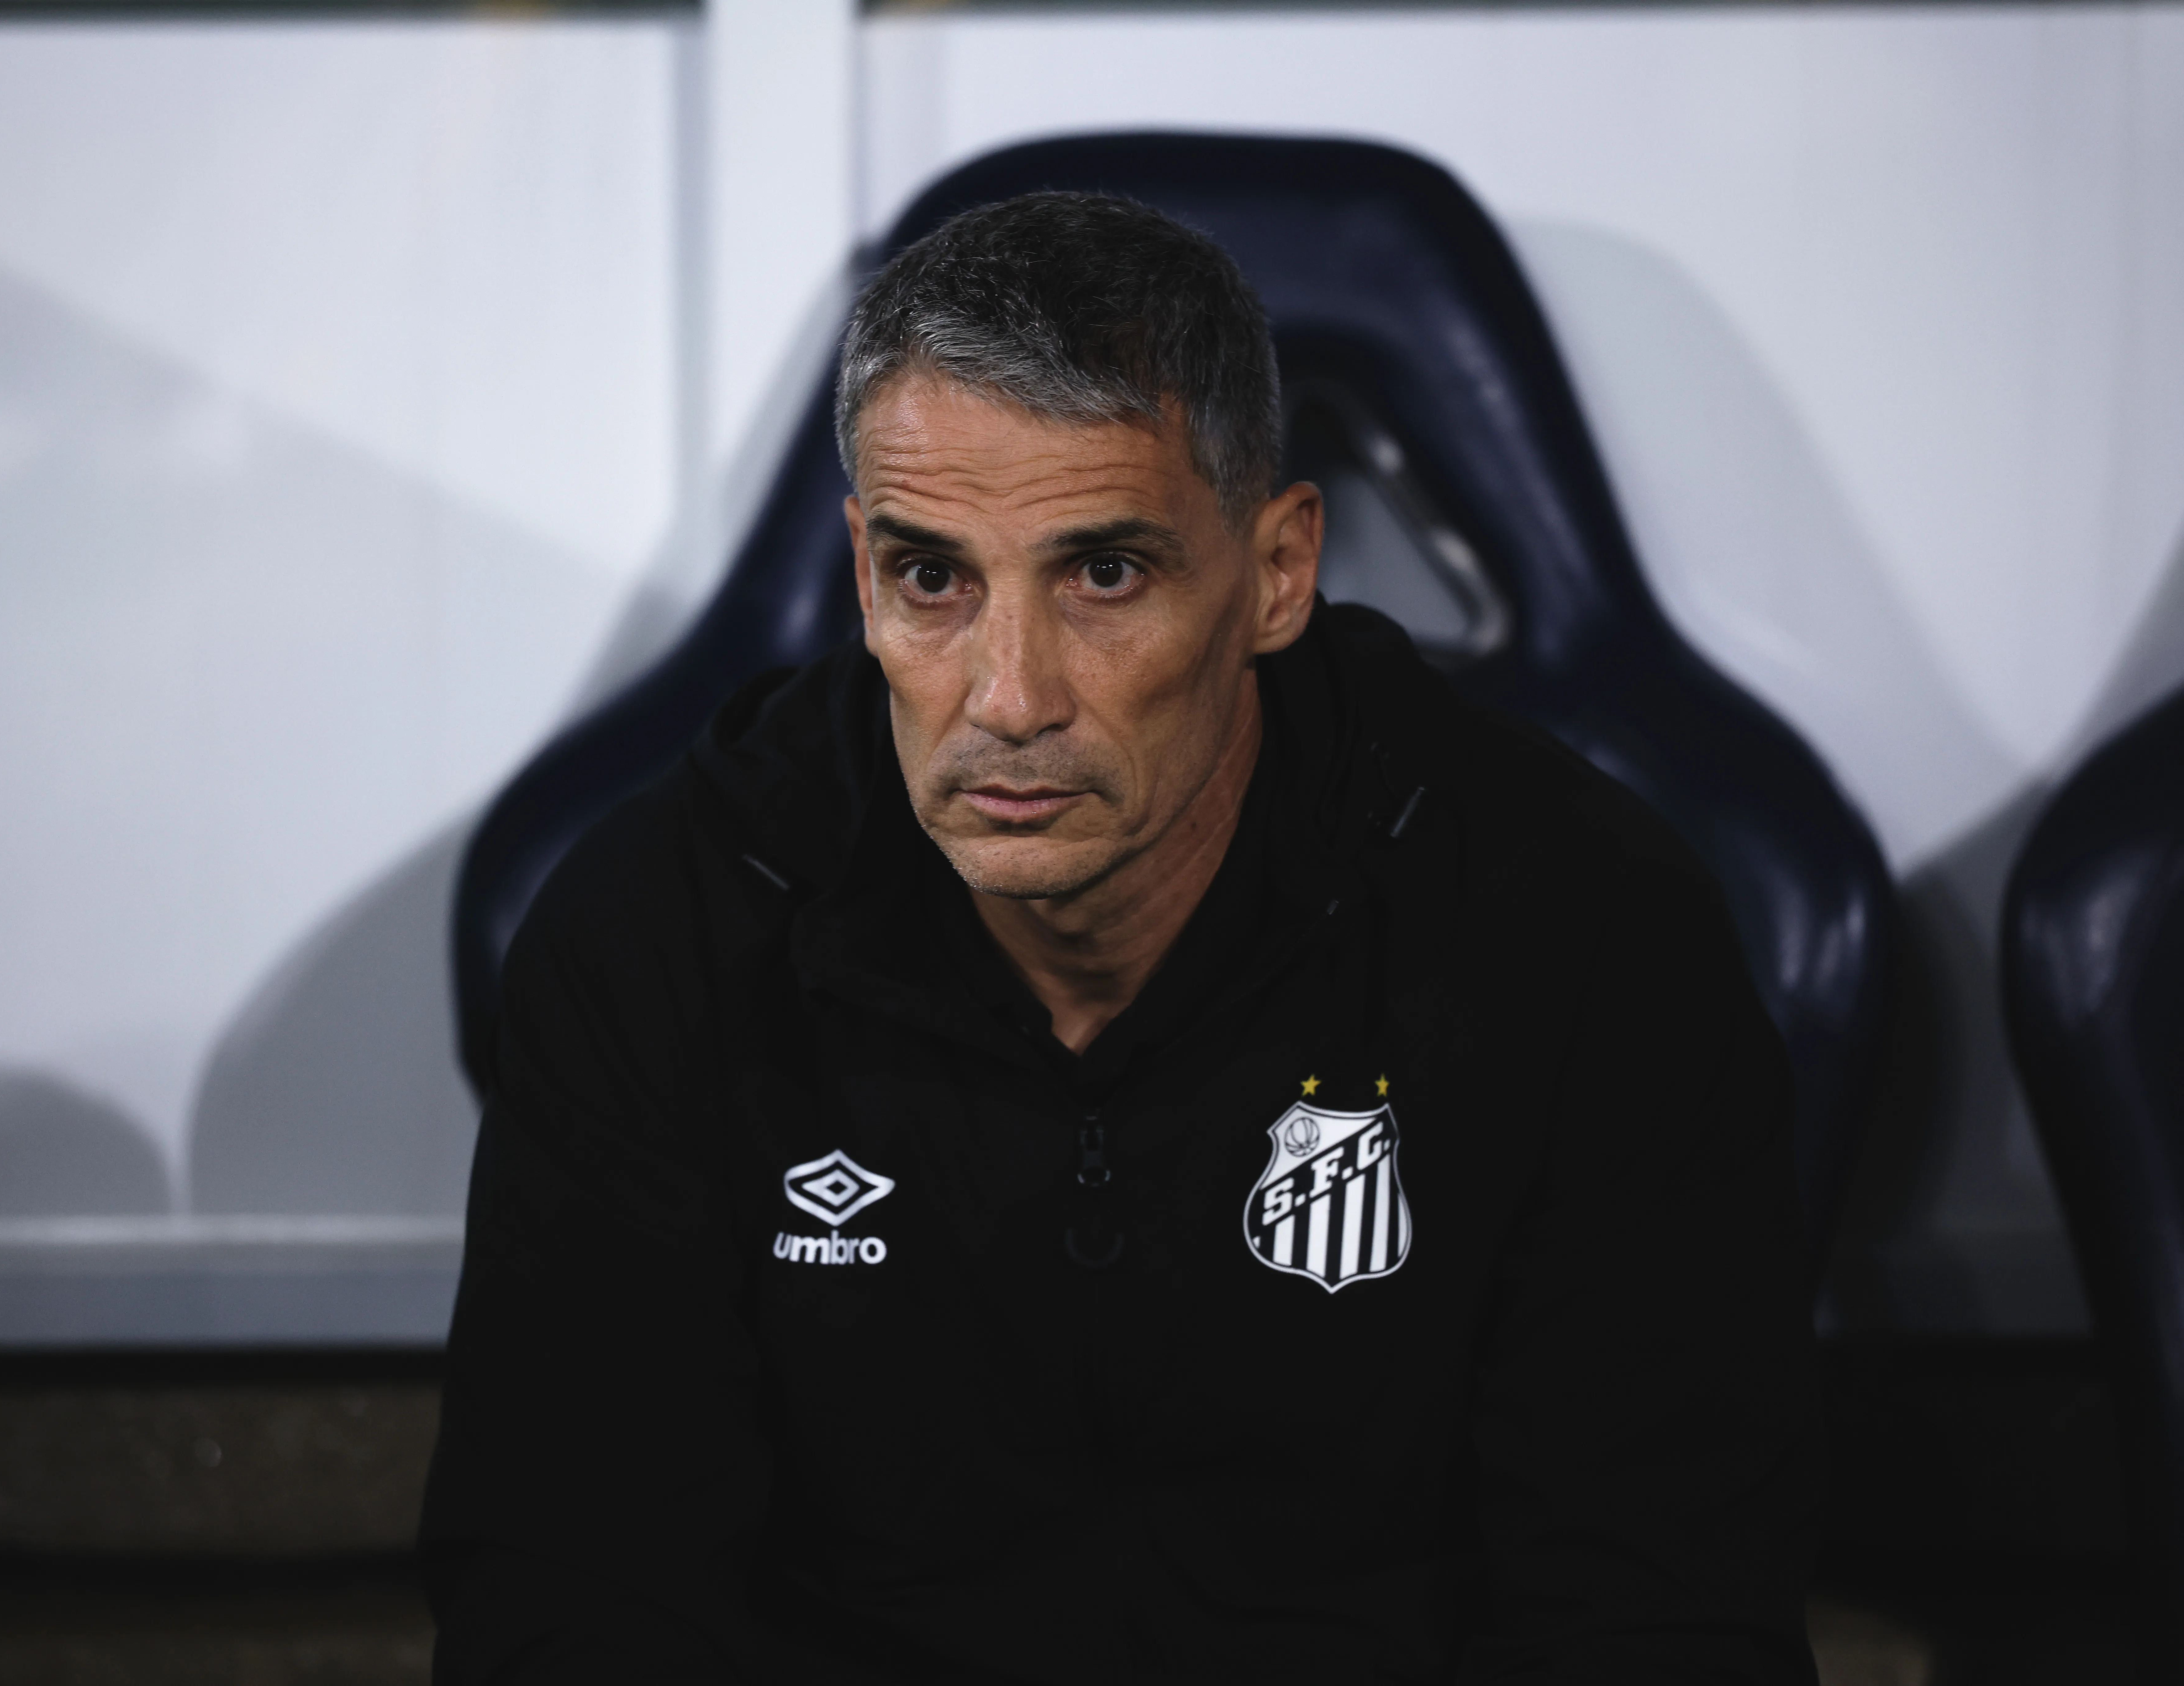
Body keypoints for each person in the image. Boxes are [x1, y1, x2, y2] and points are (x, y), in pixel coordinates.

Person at [421, 191, 1819, 1683]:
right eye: (932, 578)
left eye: (1103, 575)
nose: (1007, 698)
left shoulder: (1581, 933)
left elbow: (1651, 1619)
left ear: (1275, 574)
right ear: (860, 574)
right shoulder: (659, 940)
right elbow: (572, 1613)